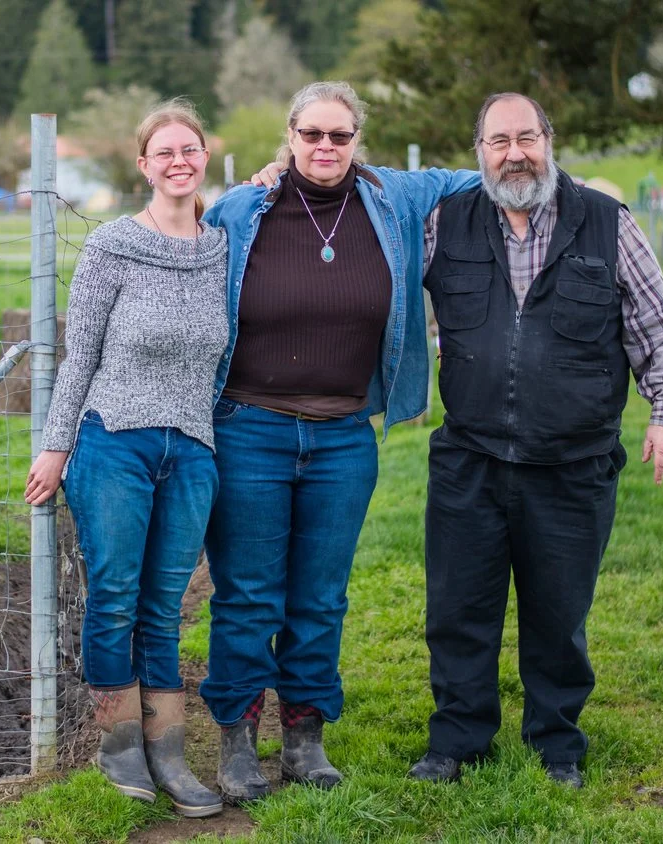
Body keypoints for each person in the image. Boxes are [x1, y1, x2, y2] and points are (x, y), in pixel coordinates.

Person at [201, 81, 478, 802]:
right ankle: (236, 742)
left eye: (341, 136)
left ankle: (304, 739)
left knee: (320, 597)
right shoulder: (241, 209)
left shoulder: (393, 201)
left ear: (358, 141)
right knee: (248, 595)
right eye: (313, 135)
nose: (326, 148)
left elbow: (476, 173)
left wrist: (550, 174)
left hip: (344, 437)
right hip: (249, 428)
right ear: (289, 136)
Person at [408, 93, 663, 789]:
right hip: (470, 455)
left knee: (559, 613)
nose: (515, 153)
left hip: (574, 461)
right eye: (499, 140)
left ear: (548, 140)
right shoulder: (446, 221)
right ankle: (458, 739)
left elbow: (660, 324)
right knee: (457, 610)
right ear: (479, 151)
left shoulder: (606, 223)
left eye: (527, 137)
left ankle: (556, 742)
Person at [24, 99, 228, 818]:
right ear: (144, 165)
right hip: (115, 441)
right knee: (114, 597)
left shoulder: (221, 246)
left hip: (193, 450)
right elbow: (80, 356)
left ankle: (169, 752)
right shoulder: (113, 244)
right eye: (164, 151)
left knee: (165, 606)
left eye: (190, 149)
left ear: (205, 157)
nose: (179, 161)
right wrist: (56, 445)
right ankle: (120, 748)